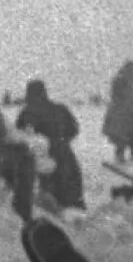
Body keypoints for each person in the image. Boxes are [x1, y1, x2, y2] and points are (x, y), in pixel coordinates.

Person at [15, 77, 84, 210]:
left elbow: (20, 136)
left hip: (43, 157)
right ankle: (76, 216)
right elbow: (74, 129)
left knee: (48, 195)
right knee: (72, 190)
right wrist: (62, 141)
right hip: (65, 154)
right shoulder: (60, 109)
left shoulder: (26, 113)